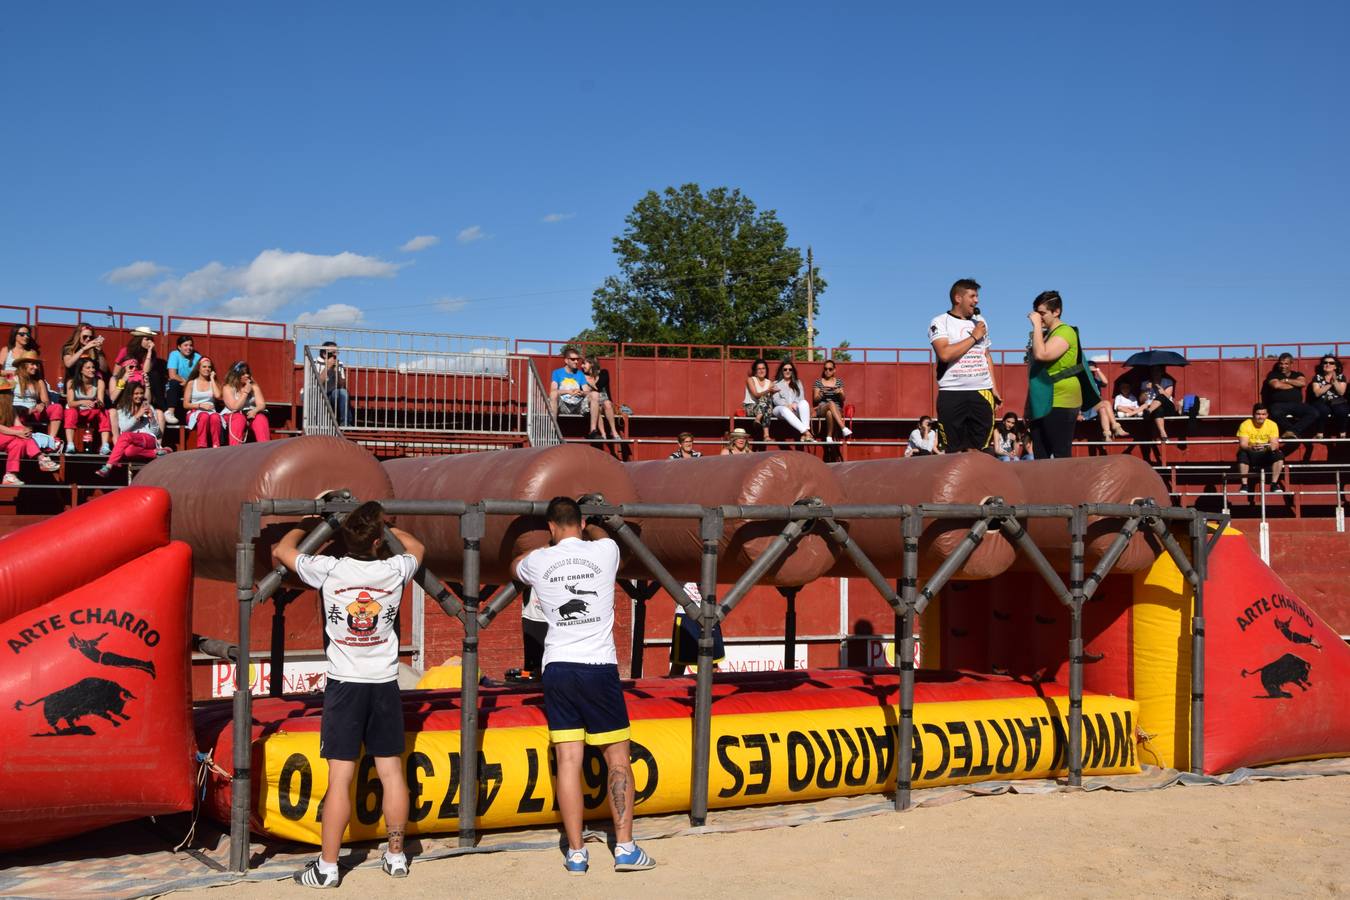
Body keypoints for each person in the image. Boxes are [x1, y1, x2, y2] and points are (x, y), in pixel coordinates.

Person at [273, 501, 425, 887]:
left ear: (342, 539)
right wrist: (390, 528)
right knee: (391, 772)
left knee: (340, 778)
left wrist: (306, 524)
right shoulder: (394, 569)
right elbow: (417, 548)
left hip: (345, 684)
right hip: (384, 682)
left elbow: (282, 551)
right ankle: (396, 856)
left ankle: (327, 868)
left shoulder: (329, 569)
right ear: (377, 540)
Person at [512, 497, 656, 875]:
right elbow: (603, 535)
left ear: (551, 527)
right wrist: (590, 524)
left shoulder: (539, 559)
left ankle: (576, 853)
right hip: (598, 667)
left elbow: (515, 567)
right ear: (580, 521)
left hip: (558, 666)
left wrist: (548, 549)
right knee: (617, 758)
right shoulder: (605, 550)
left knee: (569, 762)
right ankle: (624, 847)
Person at [929, 278, 1001, 452]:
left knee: (983, 448)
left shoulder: (980, 321)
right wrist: (974, 337)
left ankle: (981, 479)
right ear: (958, 298)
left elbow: (987, 354)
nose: (976, 300)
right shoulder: (939, 322)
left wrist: (994, 387)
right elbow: (944, 354)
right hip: (951, 392)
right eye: (972, 296)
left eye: (977, 296)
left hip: (982, 391)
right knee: (953, 449)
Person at [1025, 291, 1097, 459]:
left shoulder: (1065, 332)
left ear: (1056, 312)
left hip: (1062, 398)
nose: (1039, 317)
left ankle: (1065, 486)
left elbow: (1042, 355)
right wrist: (1028, 406)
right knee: (1040, 454)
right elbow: (1035, 373)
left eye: (1042, 313)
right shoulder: (1044, 335)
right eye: (1037, 313)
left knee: (1061, 453)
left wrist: (1035, 326)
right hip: (1041, 398)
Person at [96, 382, 169, 478]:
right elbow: (124, 428)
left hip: (149, 439)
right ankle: (156, 453)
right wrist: (137, 415)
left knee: (125, 436)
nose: (139, 396)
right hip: (133, 443)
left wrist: (152, 419)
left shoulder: (148, 407)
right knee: (128, 451)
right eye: (136, 393)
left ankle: (108, 466)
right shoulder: (121, 410)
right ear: (130, 395)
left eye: (141, 393)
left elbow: (157, 433)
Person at [0, 384, 60, 486]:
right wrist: (19, 432)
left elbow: (18, 424)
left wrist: (25, 431)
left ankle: (10, 475)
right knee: (20, 432)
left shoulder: (11, 408)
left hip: (6, 438)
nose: (10, 394)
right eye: (7, 392)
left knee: (19, 443)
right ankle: (41, 458)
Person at [1262, 353, 1318, 439]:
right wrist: (1294, 384)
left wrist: (1286, 380)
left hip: (1297, 404)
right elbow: (1276, 385)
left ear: (1291, 364)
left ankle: (1291, 432)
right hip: (1279, 405)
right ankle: (1293, 431)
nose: (1283, 366)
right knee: (1274, 412)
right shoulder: (1273, 374)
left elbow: (1302, 383)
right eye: (1281, 363)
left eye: (1286, 364)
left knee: (1314, 412)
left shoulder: (1298, 374)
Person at [12, 358, 64, 447]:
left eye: (36, 365)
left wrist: (42, 404)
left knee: (57, 407)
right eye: (32, 364)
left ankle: (51, 440)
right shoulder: (13, 379)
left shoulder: (38, 381)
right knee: (15, 411)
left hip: (34, 412)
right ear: (23, 365)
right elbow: (5, 400)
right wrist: (26, 410)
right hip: (17, 412)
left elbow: (46, 401)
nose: (35, 367)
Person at [64, 358, 112, 453]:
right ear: (81, 370)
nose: (92, 370)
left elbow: (101, 402)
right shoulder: (71, 382)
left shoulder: (99, 382)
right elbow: (70, 403)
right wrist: (83, 402)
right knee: (70, 411)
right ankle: (70, 445)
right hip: (77, 412)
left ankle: (105, 446)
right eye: (88, 368)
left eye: (93, 367)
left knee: (104, 412)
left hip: (91, 411)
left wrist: (97, 403)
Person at [1236, 403, 1284, 493]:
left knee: (1279, 455)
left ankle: (1274, 484)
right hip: (1250, 452)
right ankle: (1244, 485)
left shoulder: (1272, 425)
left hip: (1266, 453)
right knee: (1242, 454)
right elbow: (1243, 444)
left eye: (1263, 414)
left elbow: (1275, 444)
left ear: (1267, 415)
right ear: (1253, 414)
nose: (1260, 417)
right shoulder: (1245, 424)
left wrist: (1266, 447)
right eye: (1258, 414)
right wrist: (1251, 447)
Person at [222, 361, 270, 445]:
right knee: (239, 419)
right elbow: (234, 407)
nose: (247, 375)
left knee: (260, 419)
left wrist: (254, 411)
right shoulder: (228, 387)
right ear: (236, 375)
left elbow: (261, 404)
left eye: (247, 373)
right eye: (243, 374)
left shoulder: (254, 386)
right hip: (233, 415)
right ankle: (235, 450)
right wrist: (246, 392)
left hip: (250, 413)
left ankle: (265, 448)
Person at [183, 357, 223, 448]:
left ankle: (216, 444)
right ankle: (202, 445)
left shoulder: (213, 382)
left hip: (211, 412)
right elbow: (185, 404)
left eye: (209, 367)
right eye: (204, 367)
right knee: (204, 416)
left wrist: (212, 379)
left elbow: (217, 396)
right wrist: (200, 405)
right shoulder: (192, 383)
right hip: (195, 411)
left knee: (215, 417)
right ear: (199, 368)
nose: (207, 369)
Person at [770, 361, 814, 441]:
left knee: (804, 403)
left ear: (792, 371)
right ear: (781, 371)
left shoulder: (798, 382)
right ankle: (806, 432)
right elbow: (776, 400)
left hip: (794, 408)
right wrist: (787, 405)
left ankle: (805, 434)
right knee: (784, 409)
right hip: (780, 409)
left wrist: (795, 403)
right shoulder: (776, 383)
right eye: (785, 369)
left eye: (790, 369)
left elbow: (801, 396)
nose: (787, 371)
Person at [163, 335, 201, 426]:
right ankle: (170, 412)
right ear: (179, 347)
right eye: (186, 345)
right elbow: (172, 375)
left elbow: (201, 375)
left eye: (191, 345)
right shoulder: (174, 354)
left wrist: (189, 383)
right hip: (179, 385)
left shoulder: (197, 357)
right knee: (174, 382)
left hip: (192, 386)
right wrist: (184, 382)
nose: (189, 348)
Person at [812, 360, 853, 442]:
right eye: (825, 369)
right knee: (830, 403)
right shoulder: (818, 382)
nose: (827, 371)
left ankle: (829, 437)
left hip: (837, 409)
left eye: (830, 369)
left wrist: (840, 393)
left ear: (834, 370)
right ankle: (843, 428)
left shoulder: (838, 382)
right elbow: (815, 399)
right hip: (822, 408)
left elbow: (843, 399)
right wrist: (821, 393)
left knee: (829, 413)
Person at [1309, 355, 1348, 439]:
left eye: (1331, 363)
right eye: (1325, 362)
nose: (1328, 364)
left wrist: (1335, 381)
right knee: (1322, 410)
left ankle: (1342, 432)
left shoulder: (1341, 377)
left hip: (1337, 401)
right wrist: (1330, 384)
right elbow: (1317, 393)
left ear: (1335, 366)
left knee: (1342, 410)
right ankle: (1320, 433)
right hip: (1321, 401)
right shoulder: (1317, 377)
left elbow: (1341, 392)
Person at [316, 341, 354, 427]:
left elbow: (342, 385)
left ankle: (345, 424)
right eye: (333, 353)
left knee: (343, 392)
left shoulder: (339, 364)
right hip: (320, 395)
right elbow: (317, 383)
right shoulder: (315, 363)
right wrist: (327, 367)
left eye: (337, 352)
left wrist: (336, 371)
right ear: (324, 354)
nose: (335, 355)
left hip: (334, 395)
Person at [1138, 365, 1179, 444]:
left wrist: (1160, 388)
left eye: (1157, 371)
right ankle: (1163, 434)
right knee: (1158, 409)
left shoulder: (1168, 381)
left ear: (1161, 372)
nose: (1155, 373)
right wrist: (1145, 390)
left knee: (1161, 396)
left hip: (1168, 407)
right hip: (1155, 408)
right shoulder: (1145, 383)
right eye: (1153, 371)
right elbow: (1141, 400)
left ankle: (1148, 411)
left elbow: (1168, 396)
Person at [582, 356, 620, 440]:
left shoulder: (604, 373)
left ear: (591, 364)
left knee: (607, 403)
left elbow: (598, 386)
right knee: (596, 406)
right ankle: (603, 434)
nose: (582, 366)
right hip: (594, 403)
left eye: (584, 363)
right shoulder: (582, 375)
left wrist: (588, 381)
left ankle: (614, 432)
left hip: (605, 401)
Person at [549, 347, 591, 421]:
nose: (576, 361)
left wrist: (581, 392)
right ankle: (552, 427)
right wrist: (568, 391)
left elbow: (587, 392)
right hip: (563, 405)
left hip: (578, 405)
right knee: (553, 394)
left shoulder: (580, 374)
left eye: (577, 359)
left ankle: (593, 430)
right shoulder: (557, 373)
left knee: (594, 395)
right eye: (573, 359)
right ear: (566, 360)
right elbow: (553, 391)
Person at [741, 358, 774, 434]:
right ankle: (766, 434)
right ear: (755, 371)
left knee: (767, 404)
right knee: (766, 405)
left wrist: (773, 393)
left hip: (765, 407)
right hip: (750, 406)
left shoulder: (769, 382)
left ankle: (758, 420)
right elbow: (756, 395)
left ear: (766, 370)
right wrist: (769, 390)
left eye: (763, 368)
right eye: (759, 369)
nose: (761, 371)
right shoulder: (751, 380)